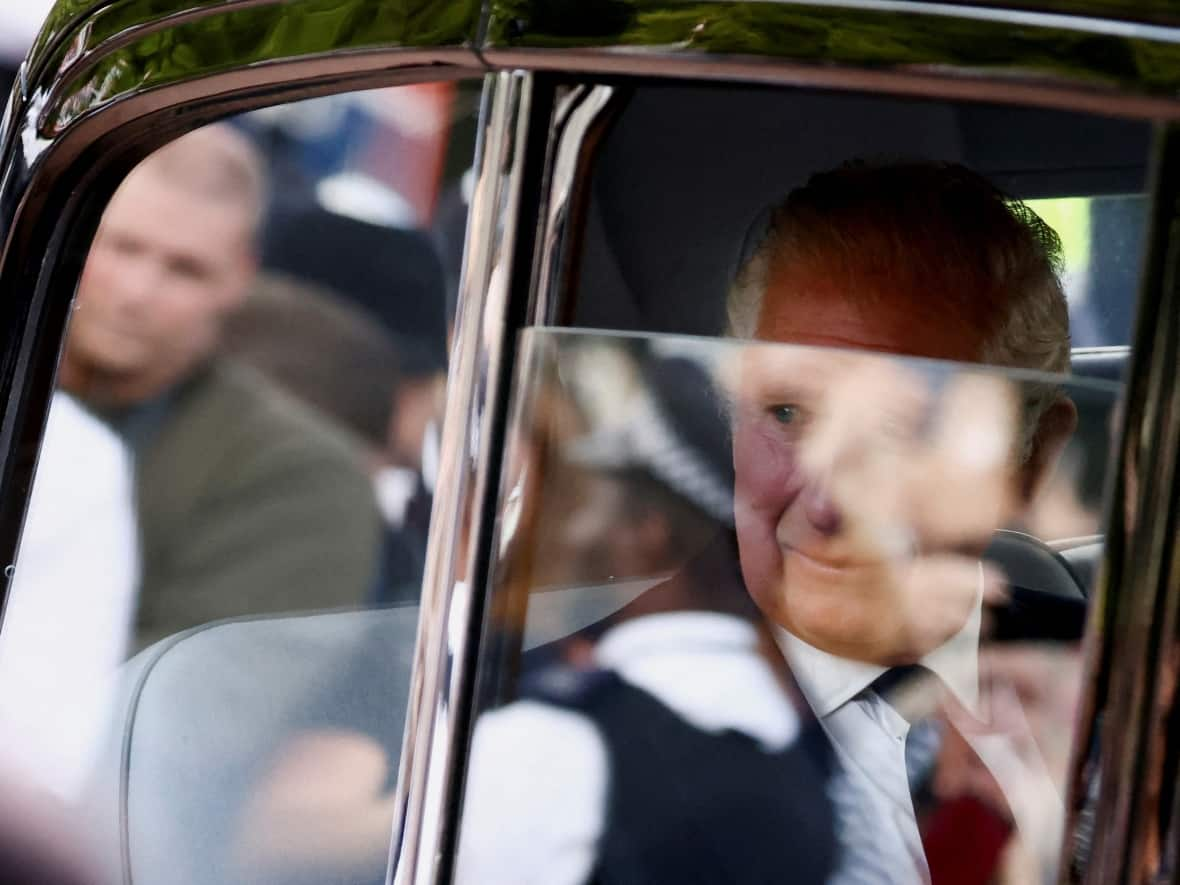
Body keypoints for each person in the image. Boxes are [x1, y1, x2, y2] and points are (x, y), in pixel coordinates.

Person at [455, 160, 1081, 885]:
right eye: (785, 413)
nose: (823, 500)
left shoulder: (1124, 692)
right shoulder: (554, 744)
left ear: (1032, 461)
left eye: (901, 429)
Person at [58, 125, 382, 650]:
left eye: (185, 270)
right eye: (123, 247)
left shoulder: (297, 473)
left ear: (239, 278)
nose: (137, 293)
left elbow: (201, 697)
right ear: (75, 237)